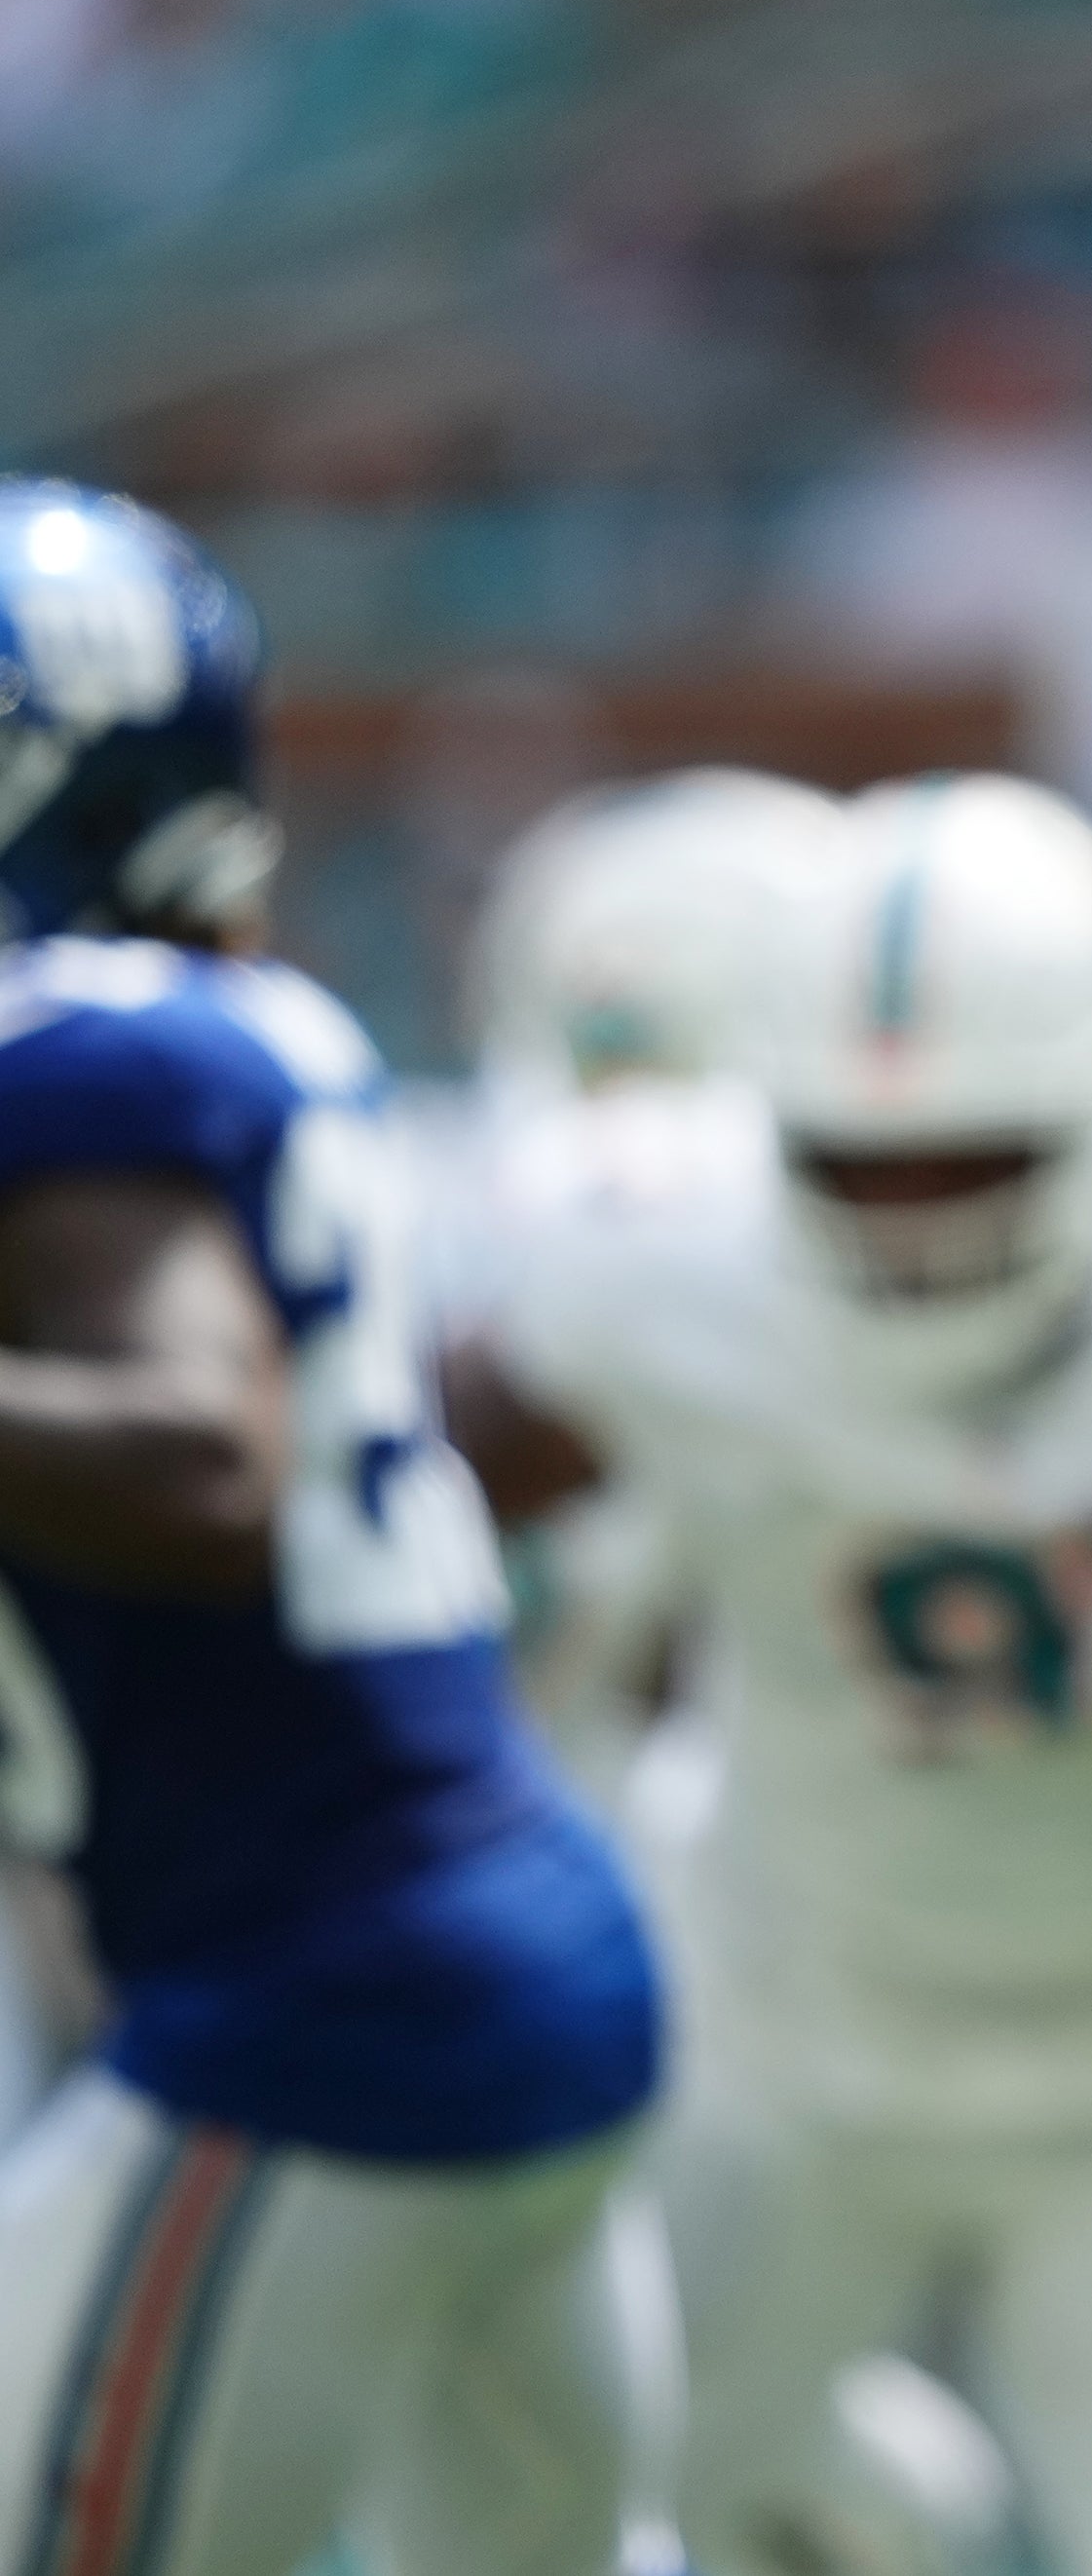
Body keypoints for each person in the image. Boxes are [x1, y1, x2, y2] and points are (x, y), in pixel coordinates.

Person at [445, 774, 1092, 2576]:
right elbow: (406, 1506)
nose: (915, 1219)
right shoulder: (658, 1256)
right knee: (545, 2527)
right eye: (856, 1160)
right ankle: (874, 2510)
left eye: (972, 1156)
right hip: (783, 2051)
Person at [0, 478, 666, 2574]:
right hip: (492, 1935)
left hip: (328, 1999)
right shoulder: (254, 1026)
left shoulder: (73, 1060)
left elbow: (200, 1457)